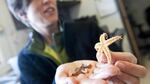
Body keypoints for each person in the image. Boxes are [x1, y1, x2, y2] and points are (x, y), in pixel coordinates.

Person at [6, 0, 147, 84]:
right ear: (22, 14)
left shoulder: (88, 27)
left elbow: (118, 59)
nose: (47, 0)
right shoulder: (26, 60)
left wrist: (121, 72)